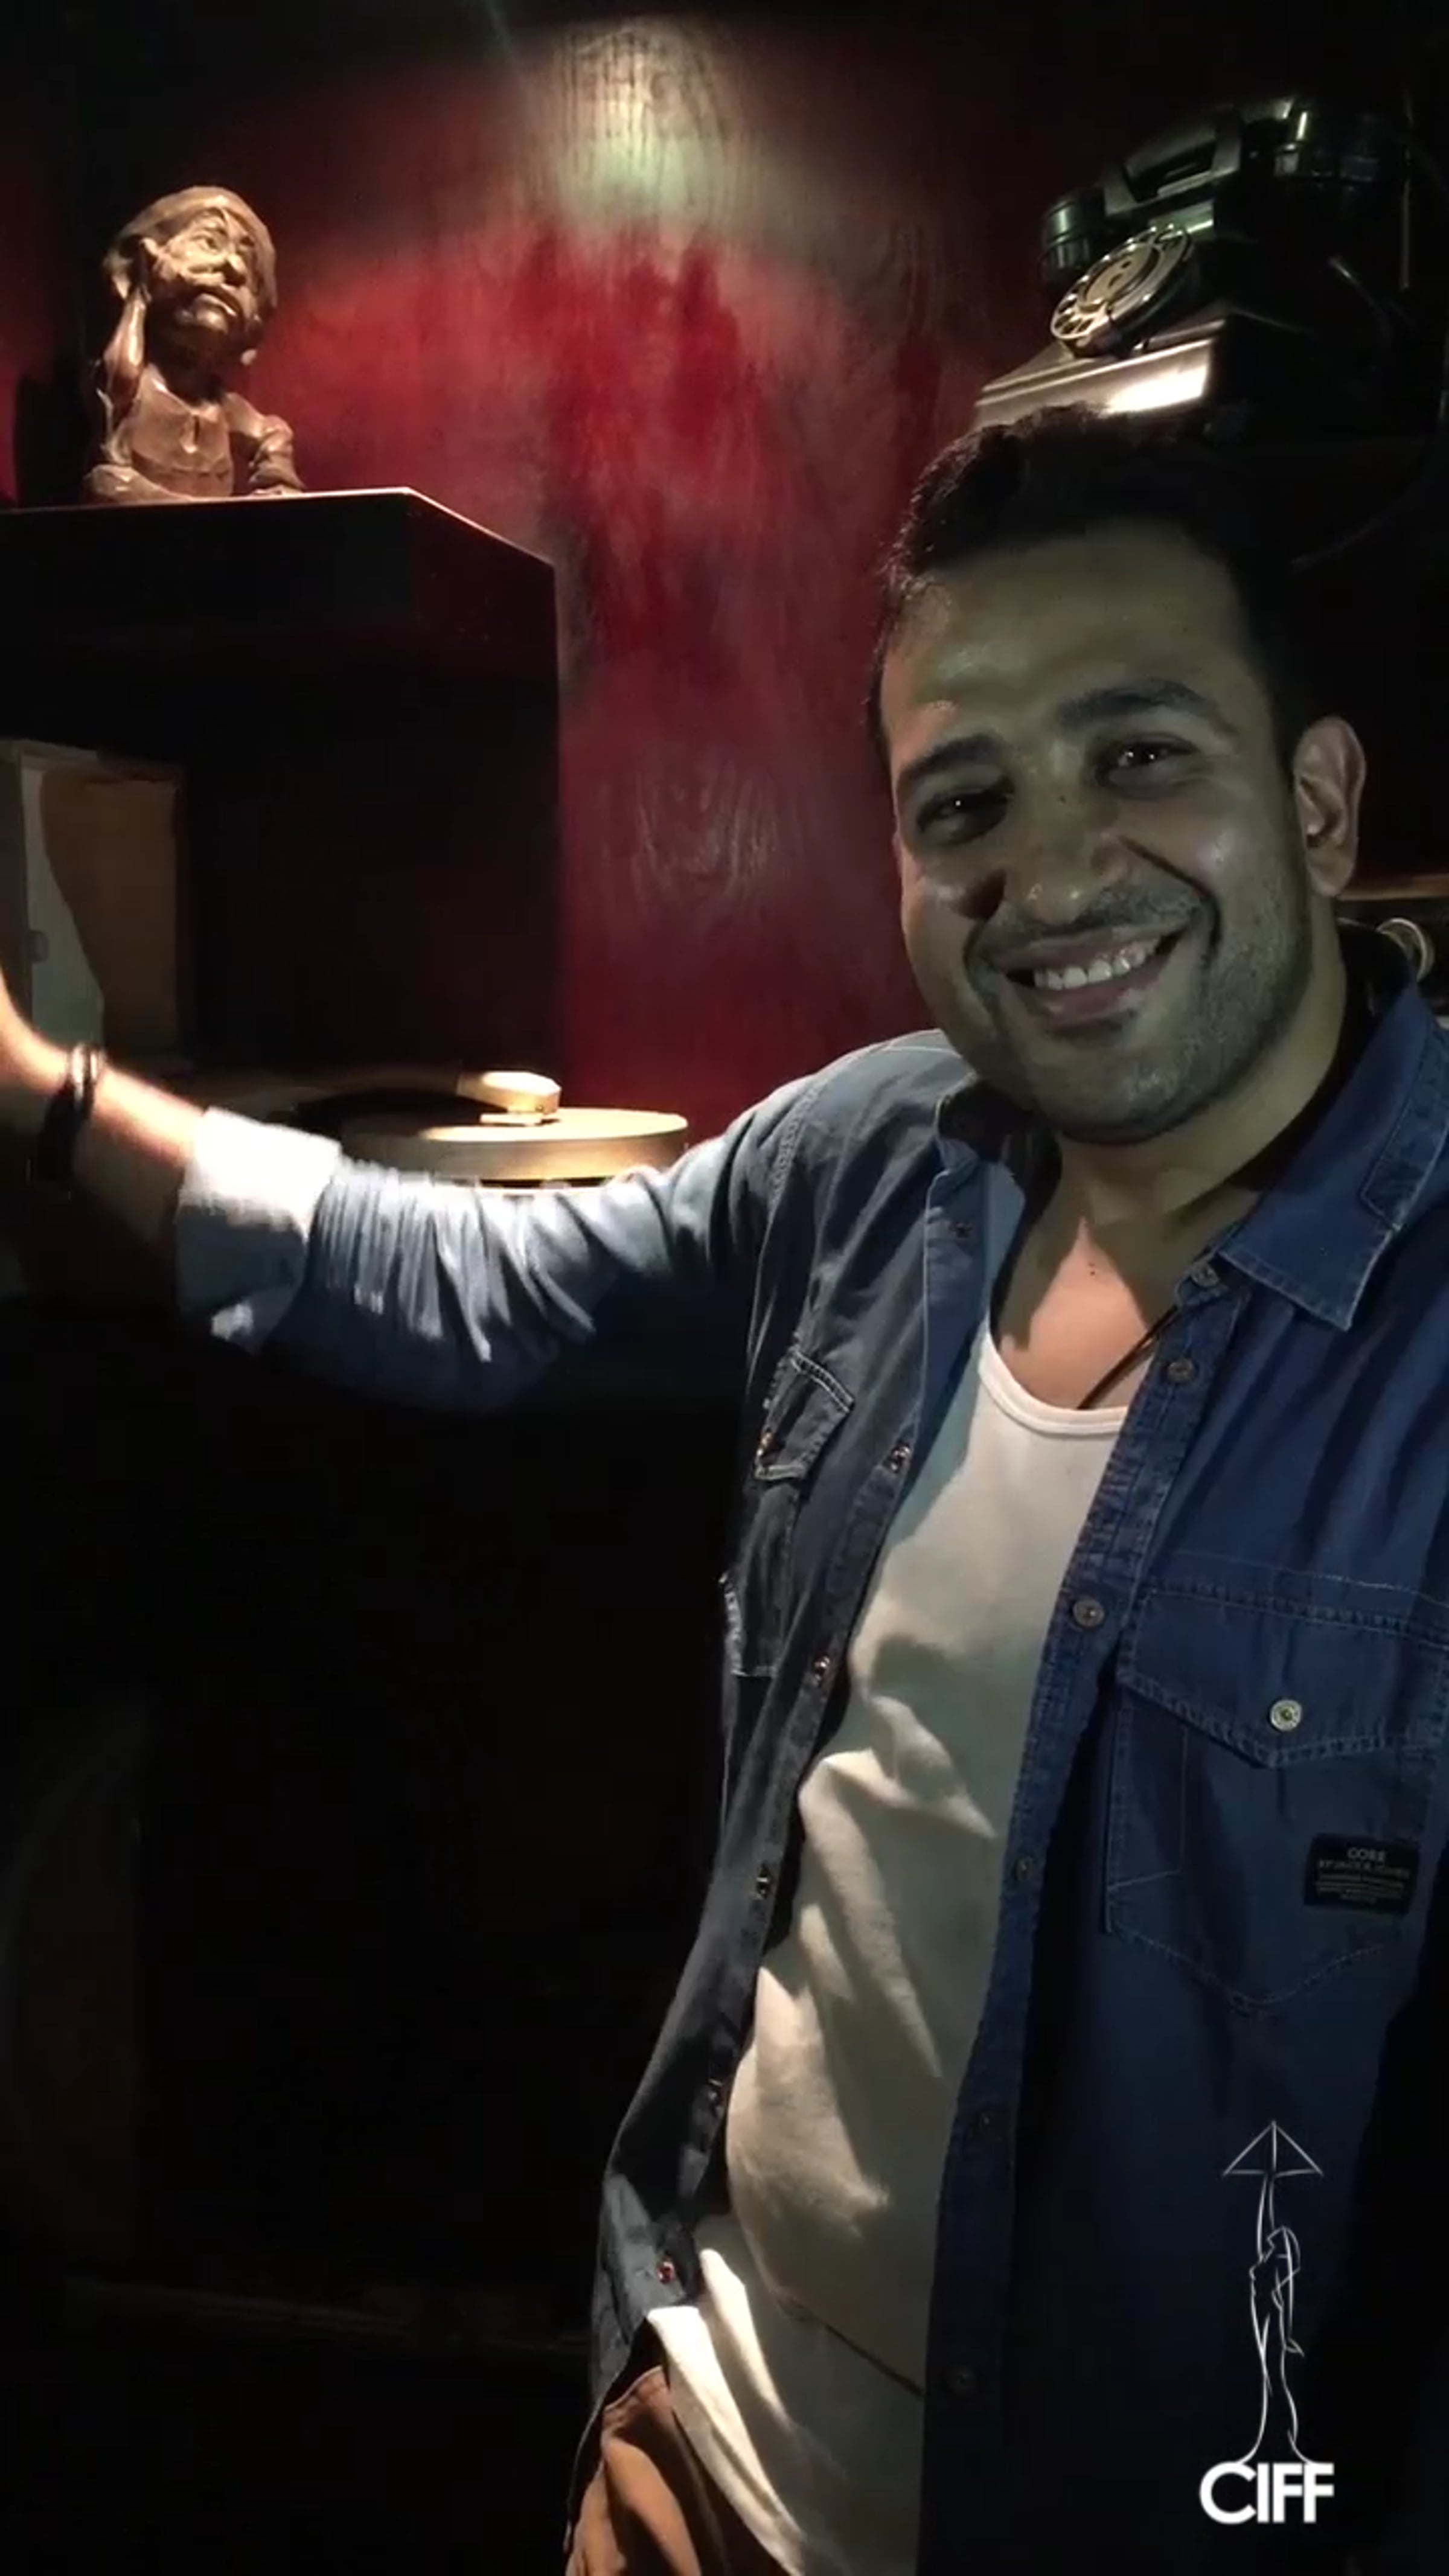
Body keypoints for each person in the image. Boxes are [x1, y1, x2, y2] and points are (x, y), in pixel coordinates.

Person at [1, 410, 1444, 2576]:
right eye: (963, 801)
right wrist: (40, 1092)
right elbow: (477, 1281)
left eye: (1137, 755)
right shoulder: (869, 1164)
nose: (1049, 870)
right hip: (706, 2452)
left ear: (1316, 802)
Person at [85, 185, 302, 505]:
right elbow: (107, 483)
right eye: (209, 242)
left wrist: (277, 480)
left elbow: (274, 433)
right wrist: (139, 297)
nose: (235, 268)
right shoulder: (126, 391)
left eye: (247, 262)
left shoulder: (224, 410)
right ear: (147, 260)